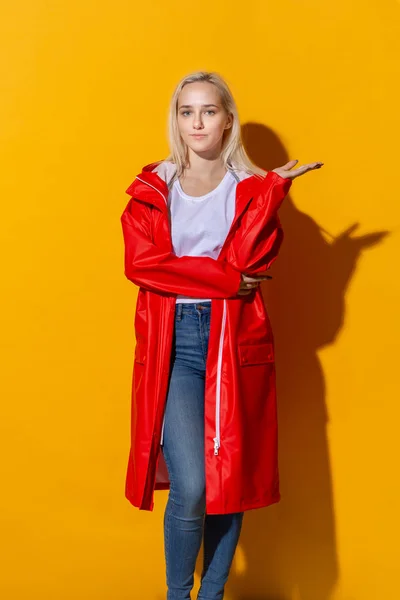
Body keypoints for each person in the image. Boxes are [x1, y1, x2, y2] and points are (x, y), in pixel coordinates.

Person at [120, 70, 323, 600]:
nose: (197, 122)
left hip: (235, 343)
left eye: (209, 111)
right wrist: (225, 279)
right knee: (190, 486)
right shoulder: (152, 186)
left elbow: (252, 258)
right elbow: (145, 265)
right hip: (178, 342)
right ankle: (175, 596)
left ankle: (210, 595)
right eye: (187, 111)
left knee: (226, 484)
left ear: (228, 119)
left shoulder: (250, 190)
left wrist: (272, 193)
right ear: (176, 120)